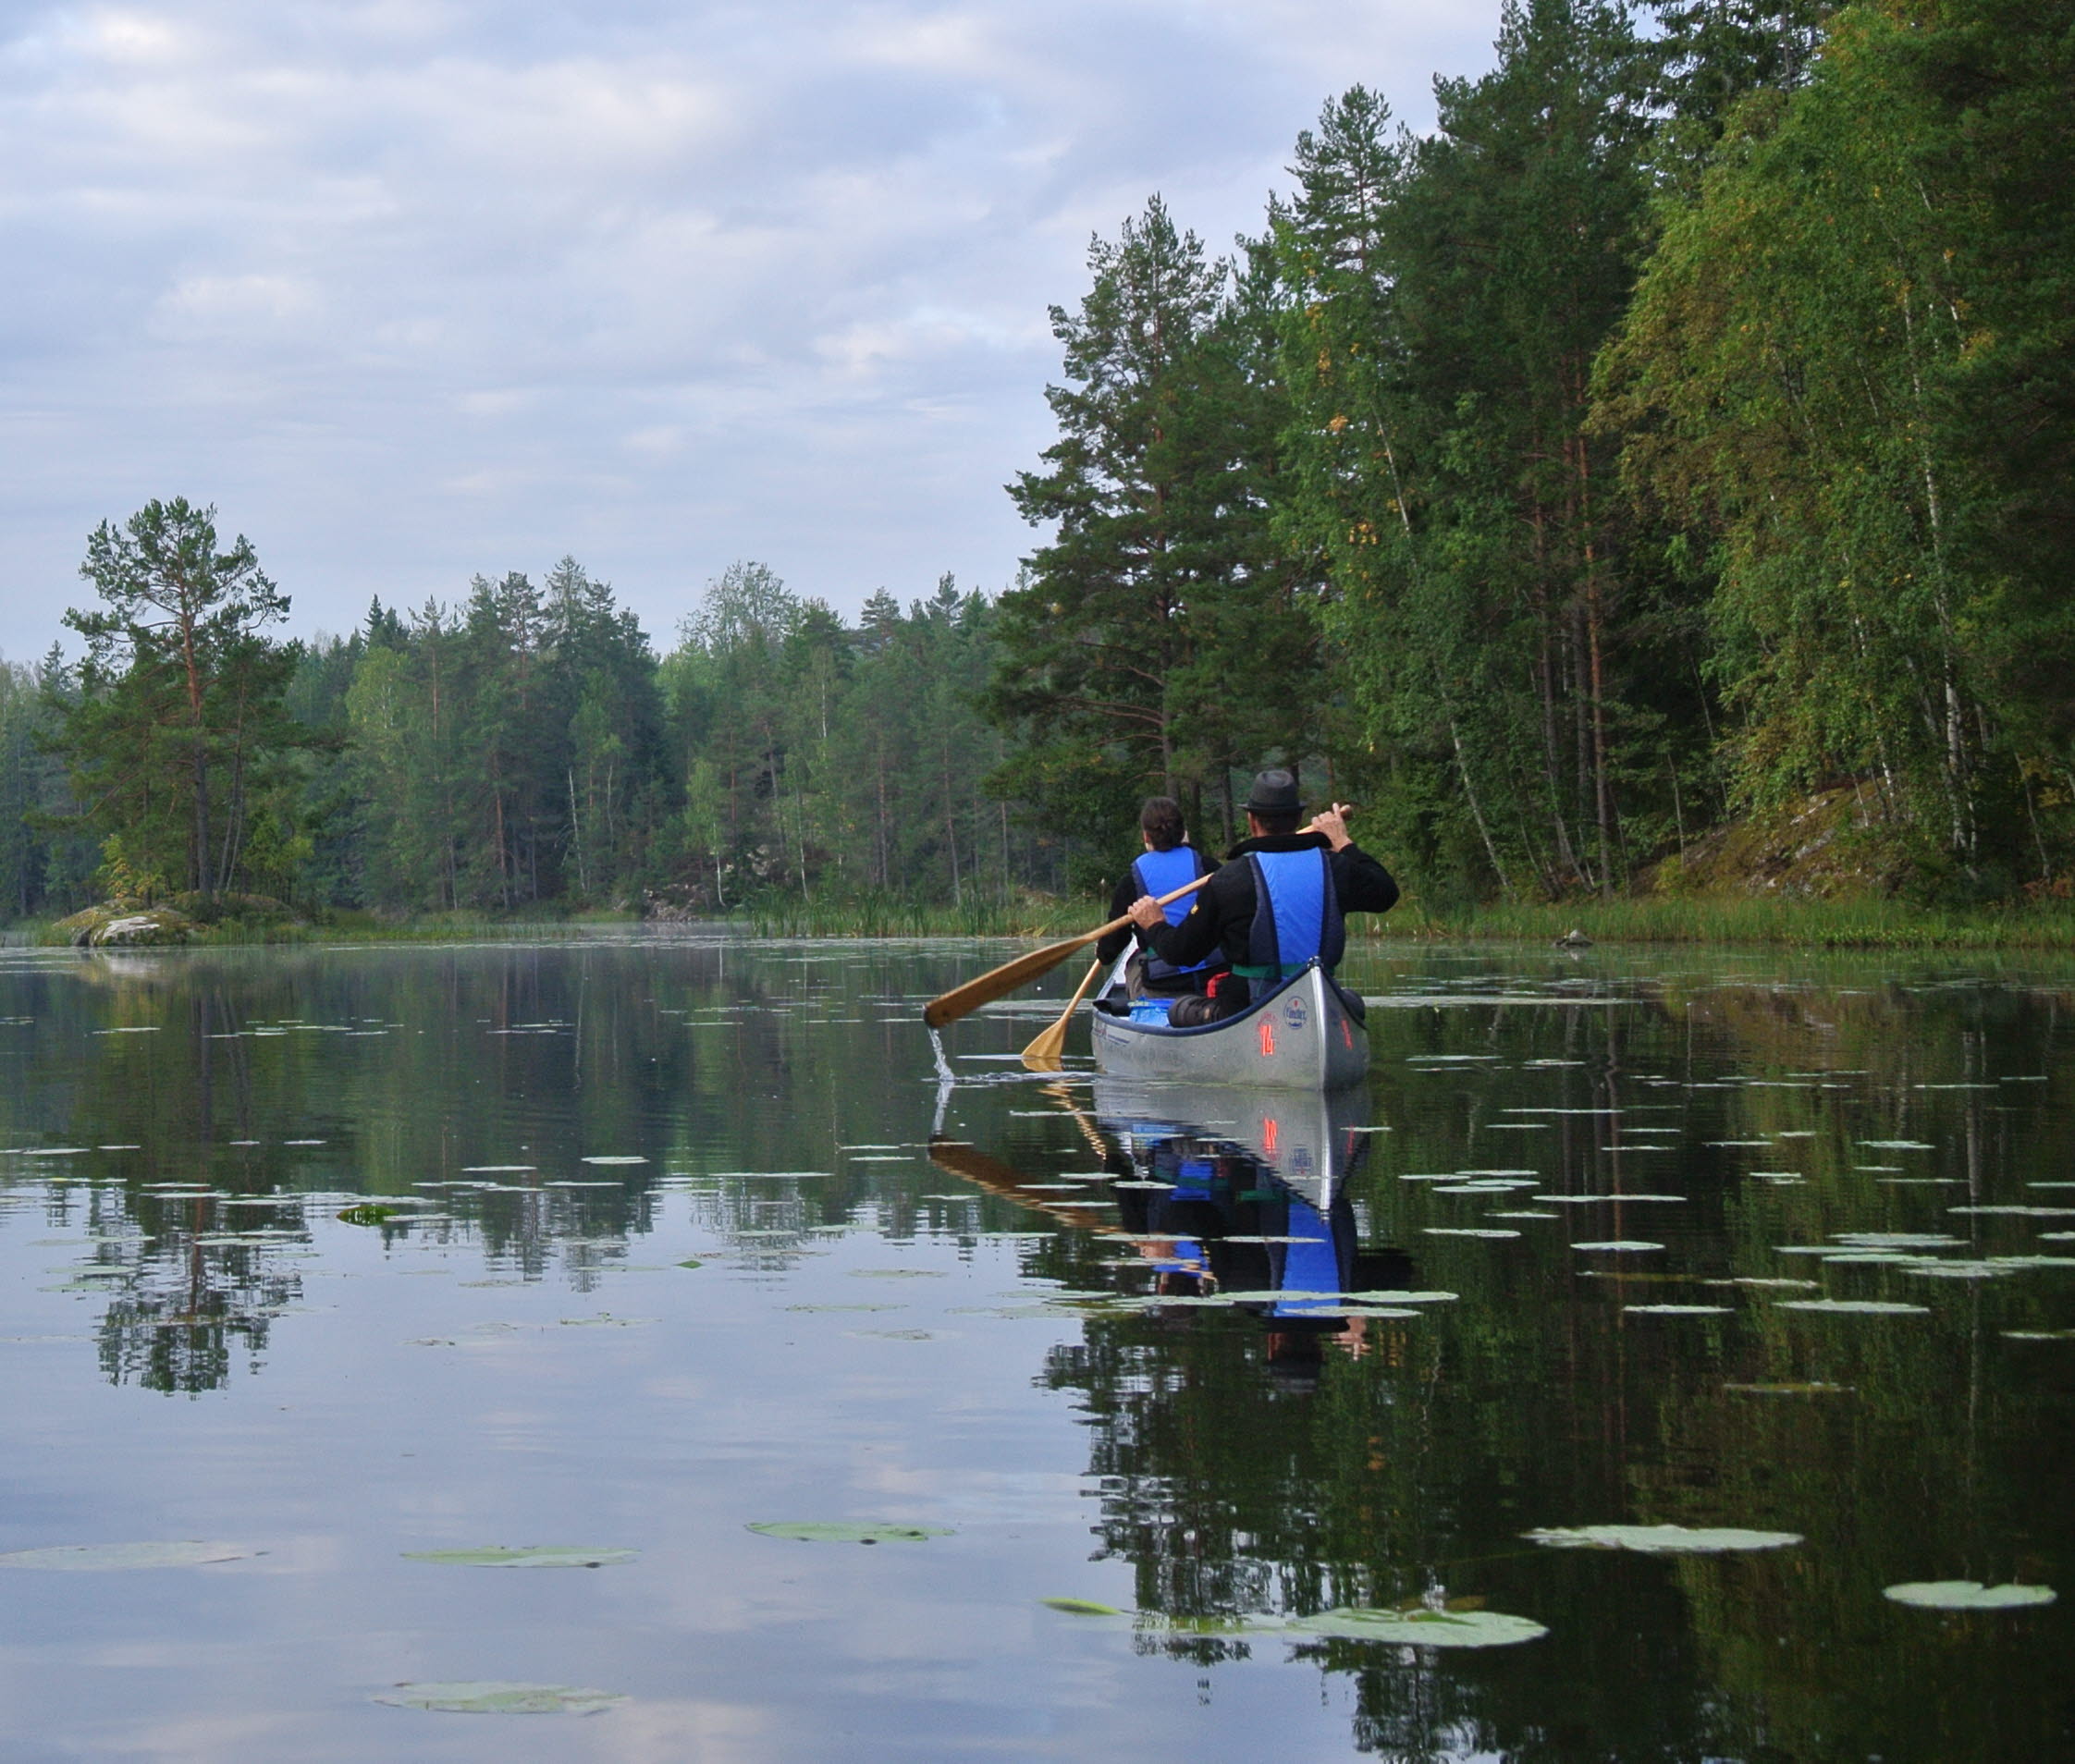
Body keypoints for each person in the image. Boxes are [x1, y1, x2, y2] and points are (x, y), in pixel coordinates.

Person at [1126, 768, 1398, 1025]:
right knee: (1351, 1002)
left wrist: (1155, 923)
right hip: (1318, 1000)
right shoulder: (1336, 868)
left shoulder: (1228, 880)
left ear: (1252, 820)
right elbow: (1386, 893)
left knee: (1179, 1010)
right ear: (1298, 819)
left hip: (1245, 1008)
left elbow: (1180, 952)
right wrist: (1343, 842)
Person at [1094, 796, 1222, 996]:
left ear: (1146, 837)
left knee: (1134, 962)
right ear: (1183, 833)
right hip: (1212, 975)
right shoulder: (1209, 868)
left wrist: (1101, 952)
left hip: (1162, 982)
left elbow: (1111, 948)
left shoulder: (1131, 882)